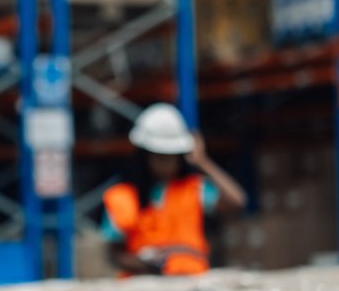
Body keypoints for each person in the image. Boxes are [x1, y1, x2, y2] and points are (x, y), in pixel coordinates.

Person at [101, 103, 247, 277]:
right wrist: (145, 264)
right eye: (160, 156)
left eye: (172, 157)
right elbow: (114, 254)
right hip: (143, 286)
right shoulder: (121, 197)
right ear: (144, 155)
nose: (167, 163)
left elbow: (237, 201)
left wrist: (202, 162)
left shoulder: (193, 189)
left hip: (190, 281)